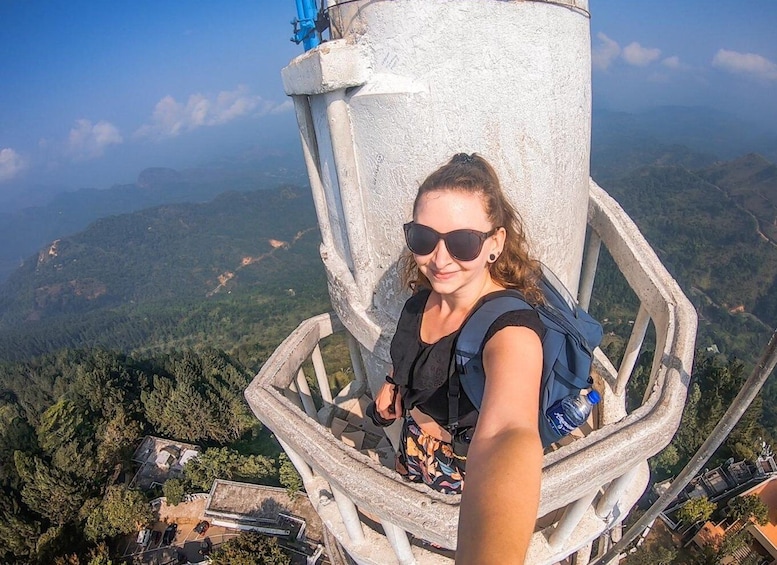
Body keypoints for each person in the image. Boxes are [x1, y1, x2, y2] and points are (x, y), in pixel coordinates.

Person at [368, 153, 545, 563]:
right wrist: (394, 384)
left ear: (494, 244)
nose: (440, 259)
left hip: (460, 466)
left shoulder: (511, 330)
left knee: (443, 537)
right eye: (424, 240)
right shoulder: (420, 302)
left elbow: (508, 434)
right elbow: (409, 353)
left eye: (463, 242)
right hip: (415, 443)